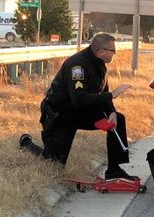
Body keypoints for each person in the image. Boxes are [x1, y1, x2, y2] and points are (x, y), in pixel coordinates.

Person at [19, 33, 134, 180]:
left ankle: (114, 170)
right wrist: (112, 95)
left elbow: (102, 92)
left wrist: (111, 111)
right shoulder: (77, 66)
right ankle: (27, 144)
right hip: (62, 114)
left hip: (82, 111)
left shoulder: (100, 64)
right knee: (53, 163)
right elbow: (79, 99)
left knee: (118, 119)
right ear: (102, 51)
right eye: (113, 51)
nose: (114, 53)